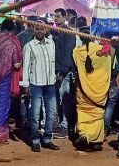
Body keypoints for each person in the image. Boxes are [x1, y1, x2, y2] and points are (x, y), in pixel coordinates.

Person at [20, 22, 60, 153]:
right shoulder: (29, 46)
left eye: (42, 28)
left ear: (46, 30)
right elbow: (25, 67)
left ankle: (47, 139)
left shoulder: (51, 44)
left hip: (50, 83)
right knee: (35, 114)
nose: (39, 31)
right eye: (37, 28)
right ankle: (35, 140)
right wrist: (25, 86)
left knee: (51, 113)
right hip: (36, 84)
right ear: (34, 30)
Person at [72, 27, 113, 152]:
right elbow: (109, 67)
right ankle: (96, 141)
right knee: (97, 113)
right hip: (100, 90)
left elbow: (76, 69)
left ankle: (85, 135)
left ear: (79, 37)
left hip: (83, 91)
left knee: (83, 112)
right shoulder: (103, 51)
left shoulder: (77, 51)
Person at [51, 8, 76, 139]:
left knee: (64, 99)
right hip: (54, 72)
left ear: (64, 17)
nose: (55, 18)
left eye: (58, 16)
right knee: (56, 100)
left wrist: (61, 72)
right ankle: (61, 124)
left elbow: (68, 55)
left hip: (64, 73)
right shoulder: (52, 32)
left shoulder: (69, 34)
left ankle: (66, 126)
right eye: (54, 16)